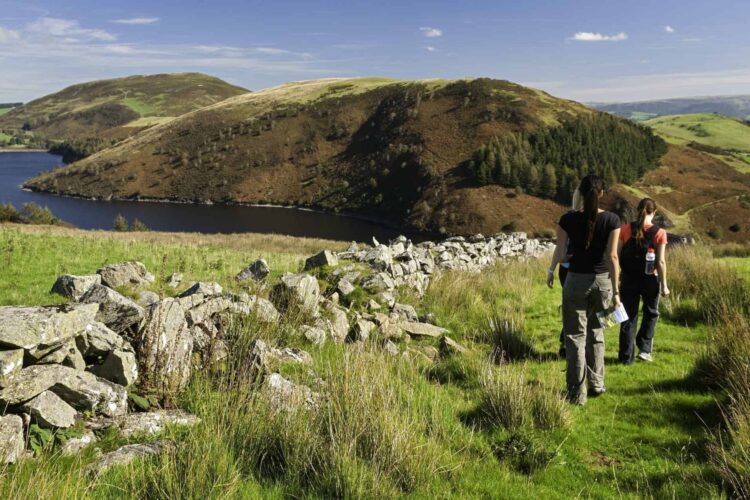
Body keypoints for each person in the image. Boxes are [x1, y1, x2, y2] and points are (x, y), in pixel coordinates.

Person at [551, 175, 621, 405]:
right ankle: (597, 383)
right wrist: (617, 293)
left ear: (580, 193)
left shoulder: (567, 219)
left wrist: (572, 255)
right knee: (597, 332)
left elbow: (561, 256)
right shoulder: (612, 220)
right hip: (602, 283)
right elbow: (612, 257)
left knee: (574, 337)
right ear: (602, 193)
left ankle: (576, 394)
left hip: (575, 282)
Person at [617, 198, 670, 364]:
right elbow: (660, 262)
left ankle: (626, 357)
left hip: (628, 279)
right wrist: (664, 285)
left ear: (637, 210)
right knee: (651, 313)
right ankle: (644, 349)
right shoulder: (660, 233)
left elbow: (616, 256)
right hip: (650, 280)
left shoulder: (625, 229)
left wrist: (617, 276)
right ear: (654, 213)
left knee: (628, 317)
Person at [547, 188, 583, 357]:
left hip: (568, 269)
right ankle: (570, 343)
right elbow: (560, 248)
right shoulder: (570, 219)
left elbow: (559, 248)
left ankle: (569, 342)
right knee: (580, 309)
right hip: (574, 270)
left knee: (575, 308)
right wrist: (551, 269)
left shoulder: (568, 218)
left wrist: (551, 270)